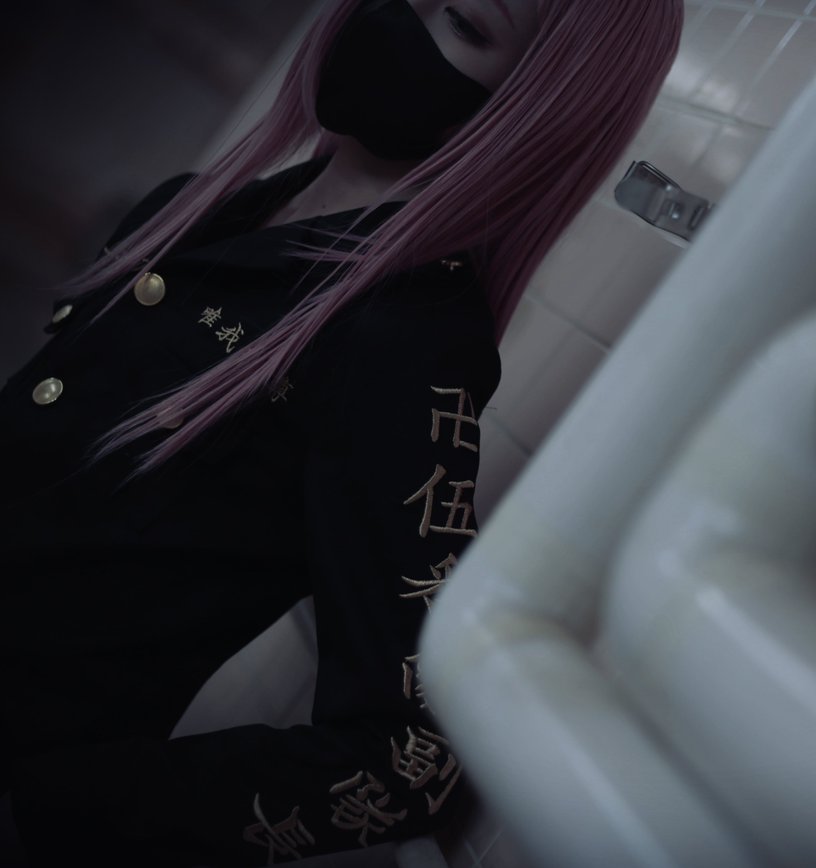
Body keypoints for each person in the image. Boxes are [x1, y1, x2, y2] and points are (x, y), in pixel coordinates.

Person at [0, 0, 683, 864]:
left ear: (533, 105)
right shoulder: (198, 207)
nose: (394, 18)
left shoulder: (406, 341)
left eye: (466, 22)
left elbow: (411, 759)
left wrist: (59, 809)